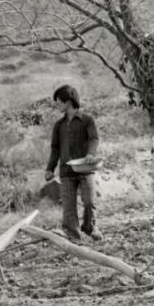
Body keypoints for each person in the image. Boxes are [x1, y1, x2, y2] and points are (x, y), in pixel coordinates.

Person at [45, 85, 102, 241]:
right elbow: (55, 149)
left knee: (89, 201)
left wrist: (91, 153)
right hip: (66, 171)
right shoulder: (59, 125)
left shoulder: (87, 120)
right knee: (69, 208)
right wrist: (50, 169)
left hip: (86, 168)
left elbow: (94, 139)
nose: (57, 105)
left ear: (68, 101)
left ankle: (90, 227)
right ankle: (74, 238)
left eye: (59, 102)